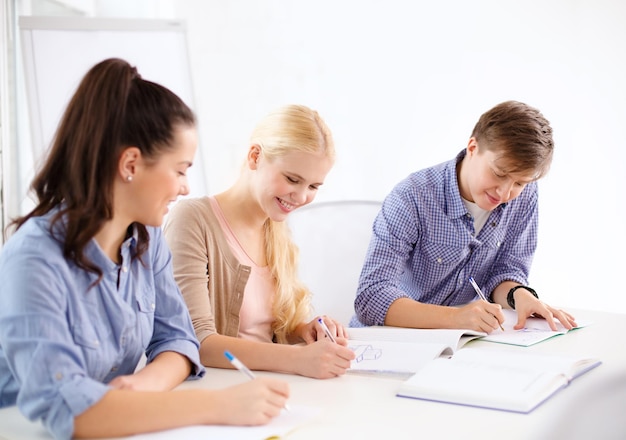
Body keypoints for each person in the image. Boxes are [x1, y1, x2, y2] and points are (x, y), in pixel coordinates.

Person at [0, 58, 288, 440]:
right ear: (131, 164)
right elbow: (66, 409)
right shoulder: (33, 260)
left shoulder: (146, 244)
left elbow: (178, 340)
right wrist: (220, 406)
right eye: (180, 169)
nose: (186, 187)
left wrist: (141, 388)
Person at [163, 104, 355, 379]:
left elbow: (261, 331)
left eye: (313, 187)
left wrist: (301, 331)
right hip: (220, 391)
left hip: (269, 387)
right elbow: (197, 342)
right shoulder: (192, 219)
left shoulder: (275, 225)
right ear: (255, 156)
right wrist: (298, 358)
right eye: (292, 179)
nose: (300, 197)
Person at [351, 100, 577, 334]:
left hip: (462, 342)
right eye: (499, 173)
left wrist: (518, 295)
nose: (505, 193)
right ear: (472, 148)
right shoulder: (412, 196)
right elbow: (371, 297)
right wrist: (457, 318)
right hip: (389, 341)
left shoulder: (524, 196)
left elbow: (504, 271)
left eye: (519, 182)